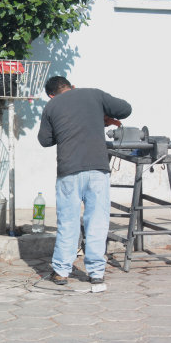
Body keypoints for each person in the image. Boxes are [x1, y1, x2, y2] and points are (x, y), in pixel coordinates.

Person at [37, 76, 132, 286]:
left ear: (51, 95)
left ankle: (61, 271)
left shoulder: (52, 105)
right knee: (97, 221)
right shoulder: (94, 94)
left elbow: (45, 140)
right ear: (72, 86)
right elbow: (125, 109)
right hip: (97, 169)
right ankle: (96, 273)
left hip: (68, 171)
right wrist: (102, 115)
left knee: (68, 222)